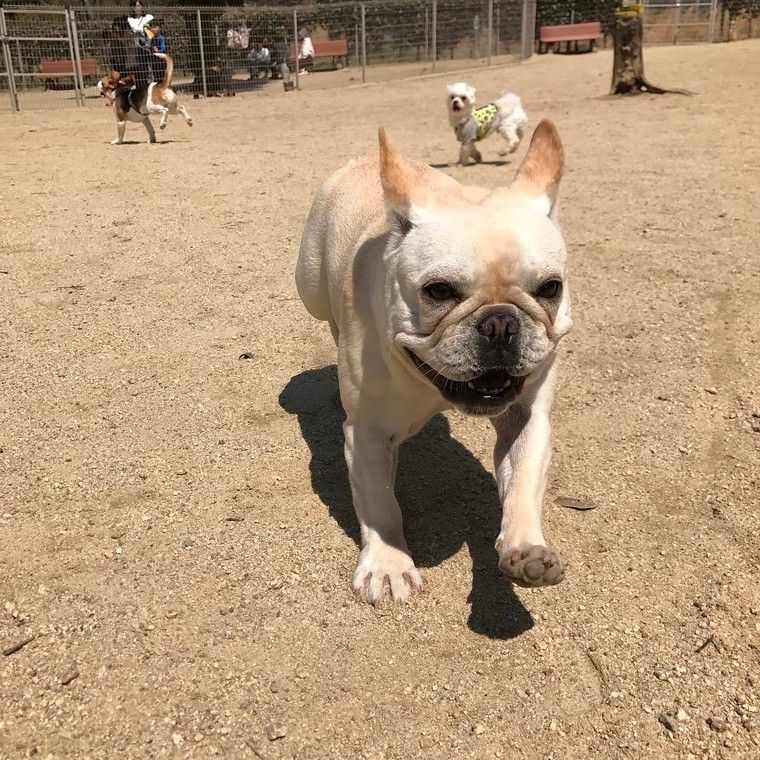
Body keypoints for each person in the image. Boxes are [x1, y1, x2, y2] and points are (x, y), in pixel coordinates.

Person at [127, 0, 154, 84]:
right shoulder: (130, 19)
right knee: (140, 69)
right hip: (137, 47)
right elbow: (135, 29)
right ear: (132, 7)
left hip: (149, 46)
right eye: (135, 6)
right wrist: (143, 28)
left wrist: (139, 30)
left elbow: (151, 31)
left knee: (150, 68)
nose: (137, 8)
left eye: (139, 5)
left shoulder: (149, 17)